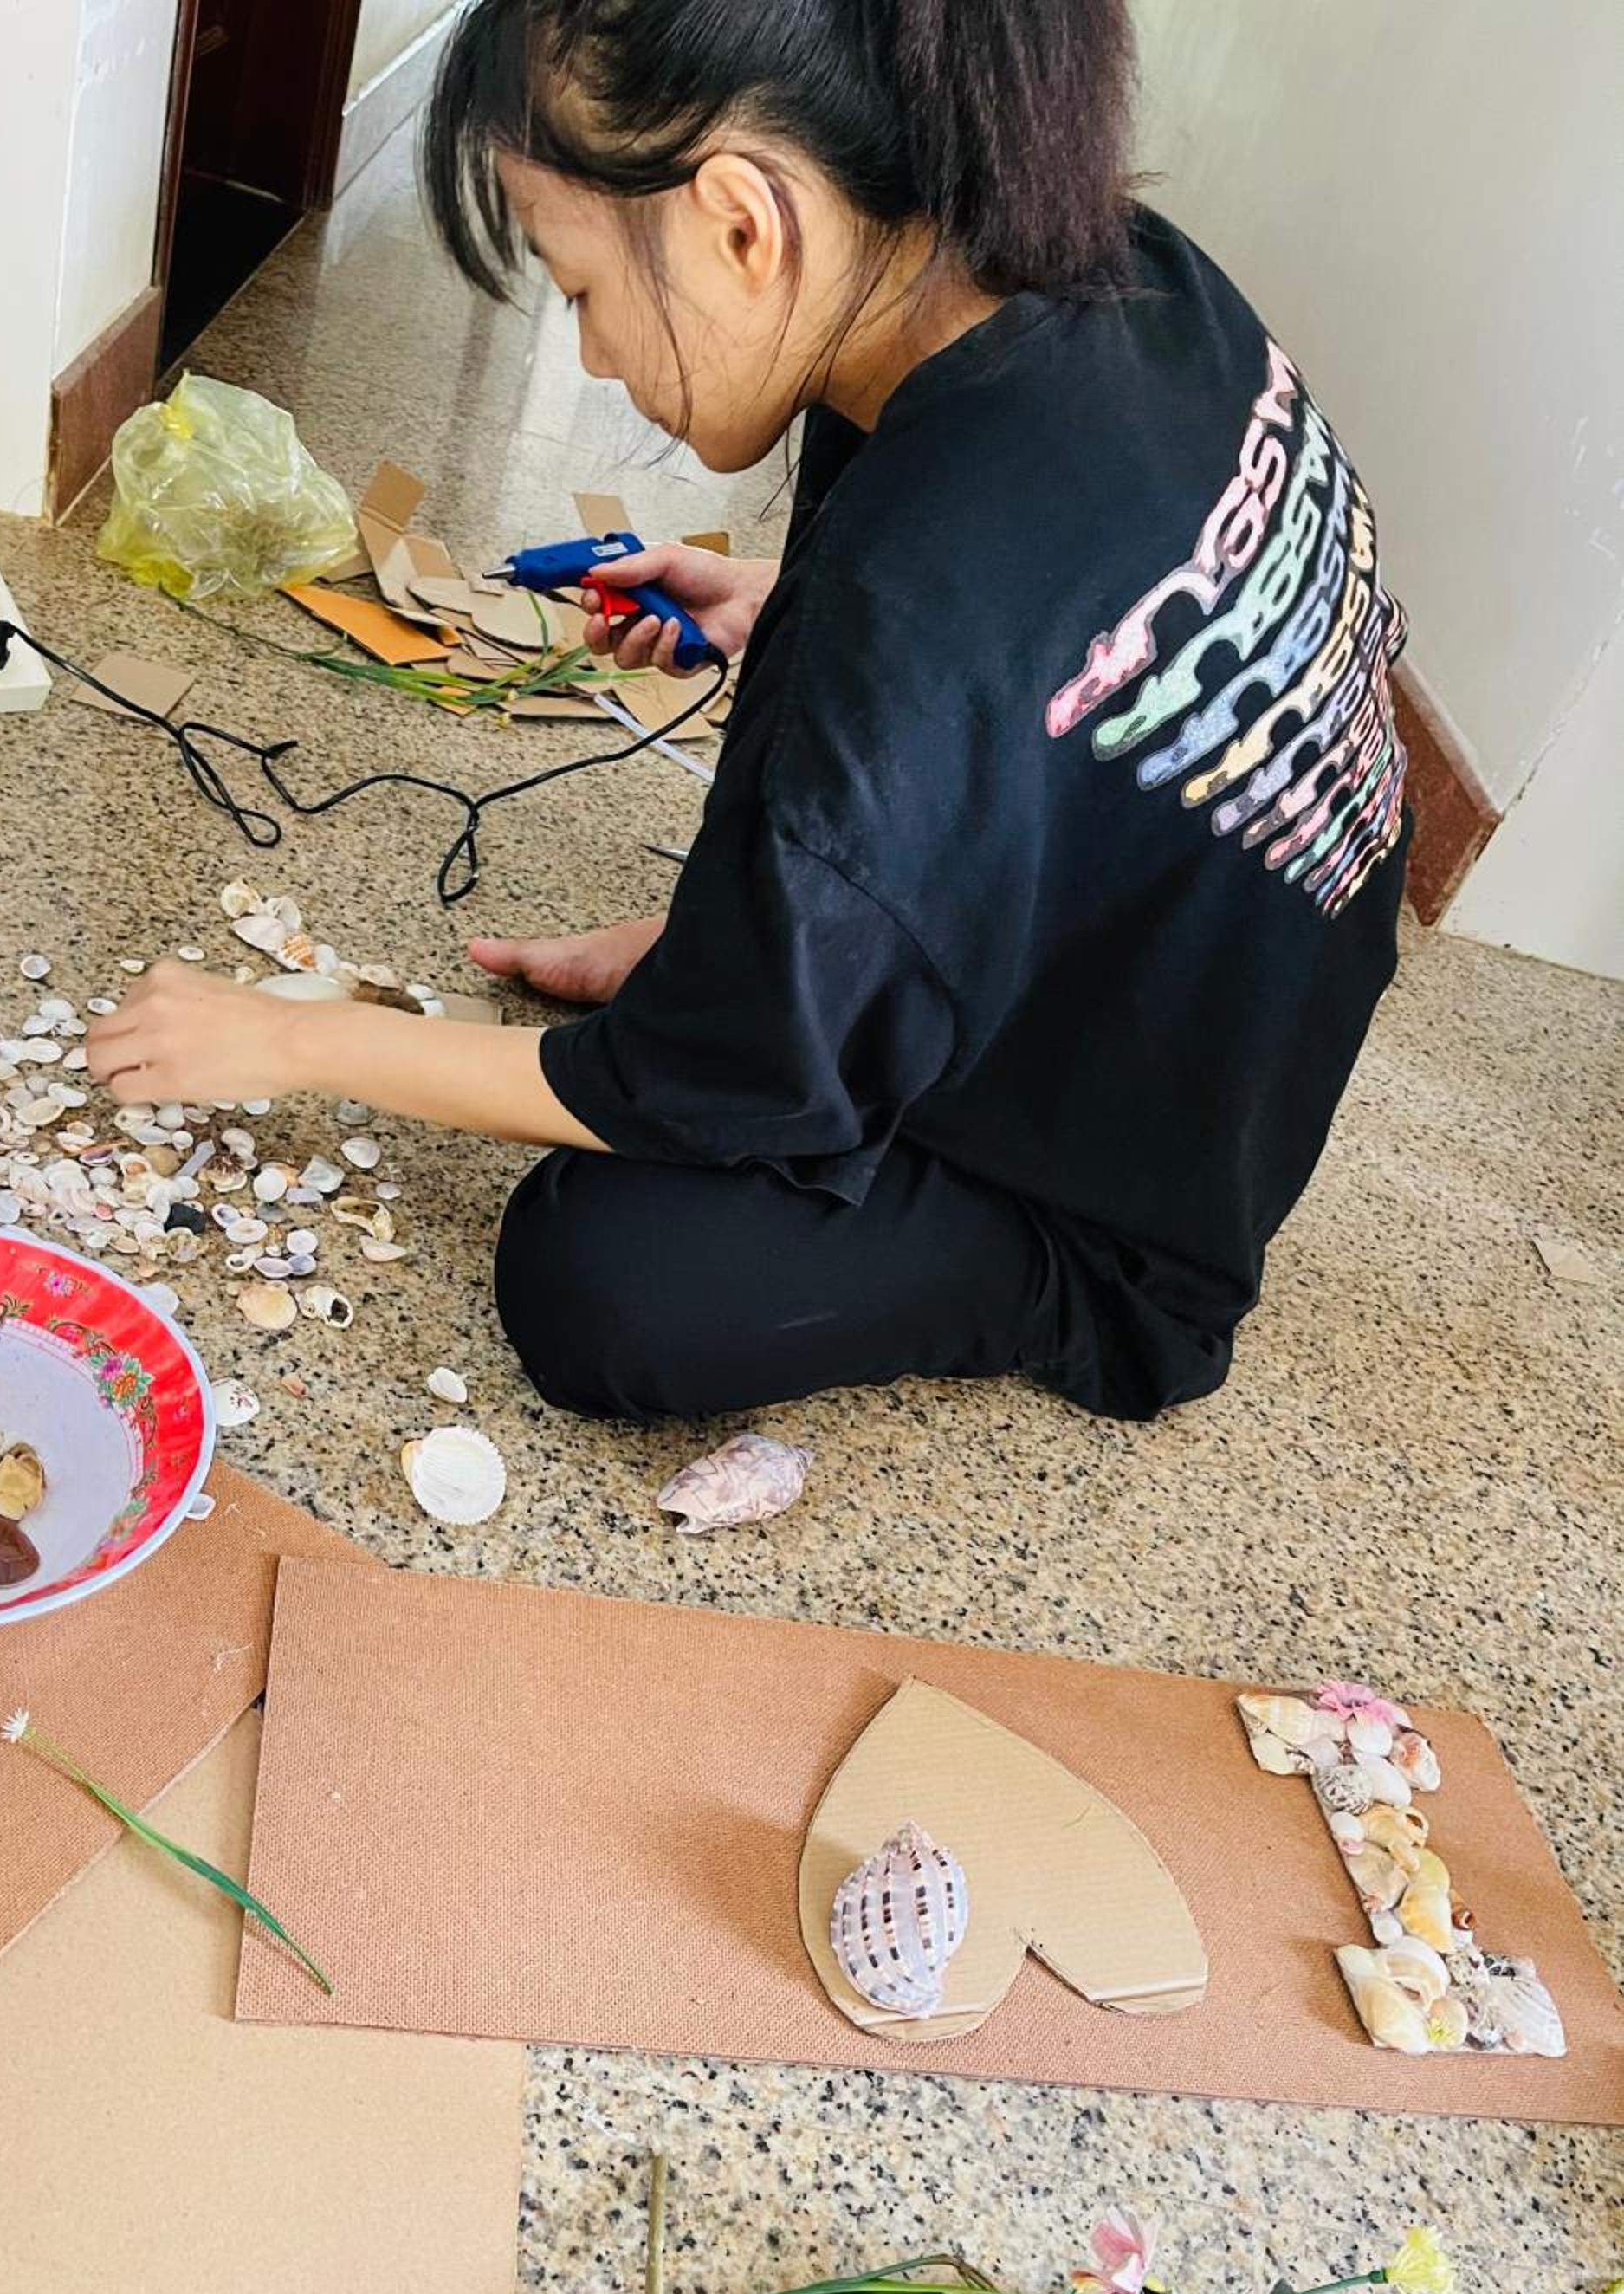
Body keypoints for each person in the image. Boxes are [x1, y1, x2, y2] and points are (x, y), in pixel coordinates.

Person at [87, 0, 1411, 1425]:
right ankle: (812, 967)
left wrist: (292, 1040)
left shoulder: (908, 629)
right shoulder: (1111, 268)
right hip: (1191, 978)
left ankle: (1064, 1279)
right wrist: (790, 605)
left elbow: (683, 1088)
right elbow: (1080, 618)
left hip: (1119, 1184)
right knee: (786, 945)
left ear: (741, 223)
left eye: (579, 289)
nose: (595, 356)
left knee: (605, 1282)